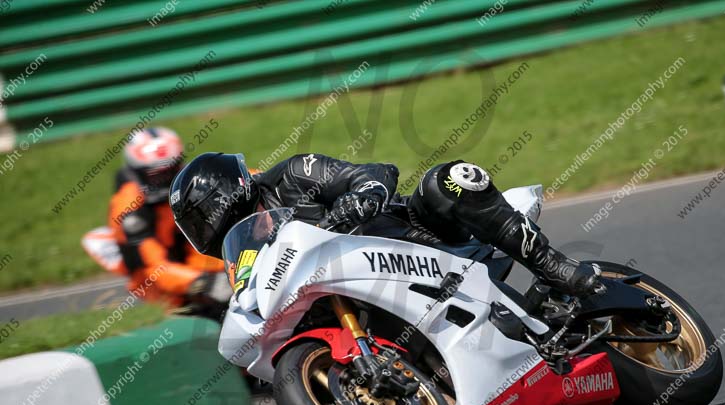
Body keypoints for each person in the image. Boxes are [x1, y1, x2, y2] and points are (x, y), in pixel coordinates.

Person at [170, 151, 601, 298]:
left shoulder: (293, 174)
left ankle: (553, 266)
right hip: (362, 291)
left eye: (247, 222)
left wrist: (362, 197)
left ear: (242, 196)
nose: (253, 231)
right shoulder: (246, 256)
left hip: (417, 236)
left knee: (447, 180)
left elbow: (371, 173)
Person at [108, 127, 230, 310]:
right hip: (158, 284)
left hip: (190, 259)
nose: (165, 180)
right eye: (156, 175)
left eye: (171, 170)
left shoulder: (188, 183)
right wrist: (204, 283)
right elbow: (154, 267)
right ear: (137, 172)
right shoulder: (129, 208)